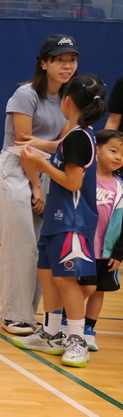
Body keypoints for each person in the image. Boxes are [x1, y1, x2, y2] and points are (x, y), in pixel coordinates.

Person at [15, 73, 107, 365]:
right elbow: (61, 148)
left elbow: (73, 182)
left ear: (66, 101)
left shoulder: (79, 138)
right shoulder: (75, 135)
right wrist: (39, 143)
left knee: (66, 280)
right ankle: (51, 333)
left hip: (72, 222)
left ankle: (76, 339)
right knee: (48, 275)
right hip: (57, 219)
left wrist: (39, 164)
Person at [0, 34, 78, 338]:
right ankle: (12, 314)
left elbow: (64, 144)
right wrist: (36, 187)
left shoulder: (68, 99)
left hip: (45, 171)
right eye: (59, 60)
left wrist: (45, 176)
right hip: (15, 170)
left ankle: (28, 313)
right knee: (21, 245)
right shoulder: (26, 94)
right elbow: (23, 145)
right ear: (43, 64)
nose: (66, 66)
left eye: (71, 60)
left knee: (42, 248)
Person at [85, 128, 123, 353]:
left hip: (106, 253)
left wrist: (118, 253)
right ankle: (69, 324)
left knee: (98, 291)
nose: (119, 157)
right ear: (96, 150)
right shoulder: (83, 179)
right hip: (82, 248)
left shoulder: (120, 187)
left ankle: (88, 330)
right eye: (113, 150)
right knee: (77, 288)